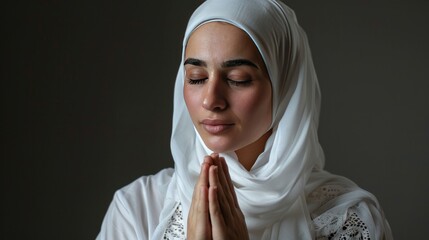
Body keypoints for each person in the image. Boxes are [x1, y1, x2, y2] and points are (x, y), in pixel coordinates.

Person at [96, 0, 393, 239]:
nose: (211, 100)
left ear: (286, 87)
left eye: (238, 79)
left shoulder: (347, 219)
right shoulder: (139, 209)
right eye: (196, 78)